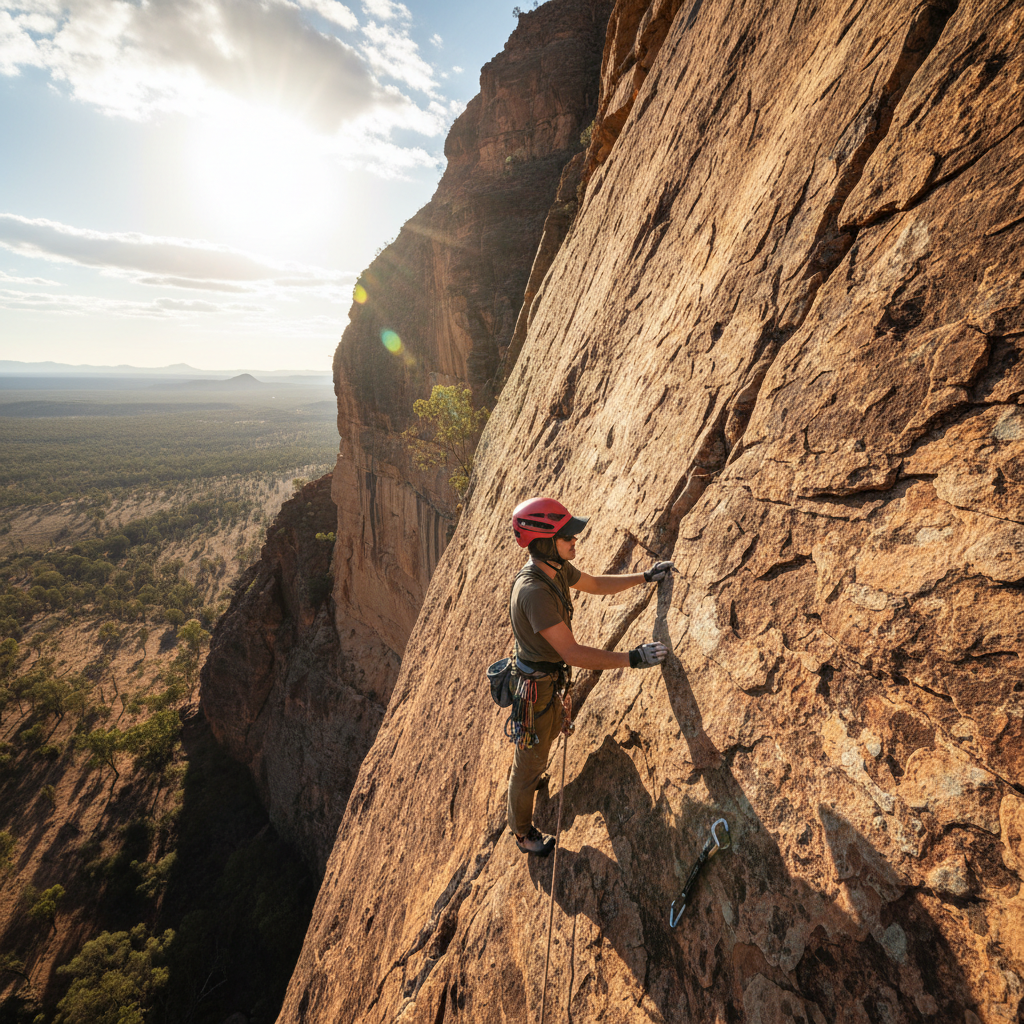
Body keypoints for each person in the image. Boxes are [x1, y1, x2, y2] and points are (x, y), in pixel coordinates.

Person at [507, 496, 672, 855]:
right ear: (546, 543)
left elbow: (594, 584)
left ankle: (535, 770)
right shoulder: (534, 592)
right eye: (567, 536)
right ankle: (522, 834)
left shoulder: (555, 569)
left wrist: (644, 577)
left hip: (549, 682)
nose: (574, 540)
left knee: (547, 738)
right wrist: (632, 658)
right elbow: (573, 652)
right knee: (528, 765)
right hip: (537, 689)